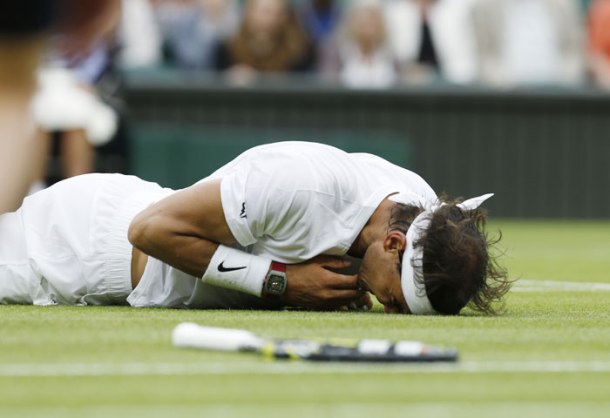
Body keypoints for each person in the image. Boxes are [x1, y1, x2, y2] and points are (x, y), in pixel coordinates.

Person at [0, 142, 510, 314]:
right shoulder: (299, 185)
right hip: (77, 245)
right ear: (394, 243)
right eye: (396, 301)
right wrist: (281, 282)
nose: (389, 309)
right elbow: (148, 231)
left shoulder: (417, 206)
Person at [0, 0, 121, 213]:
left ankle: (79, 190)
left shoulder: (93, 36)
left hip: (76, 84)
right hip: (39, 85)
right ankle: (33, 193)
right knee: (37, 114)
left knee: (77, 116)